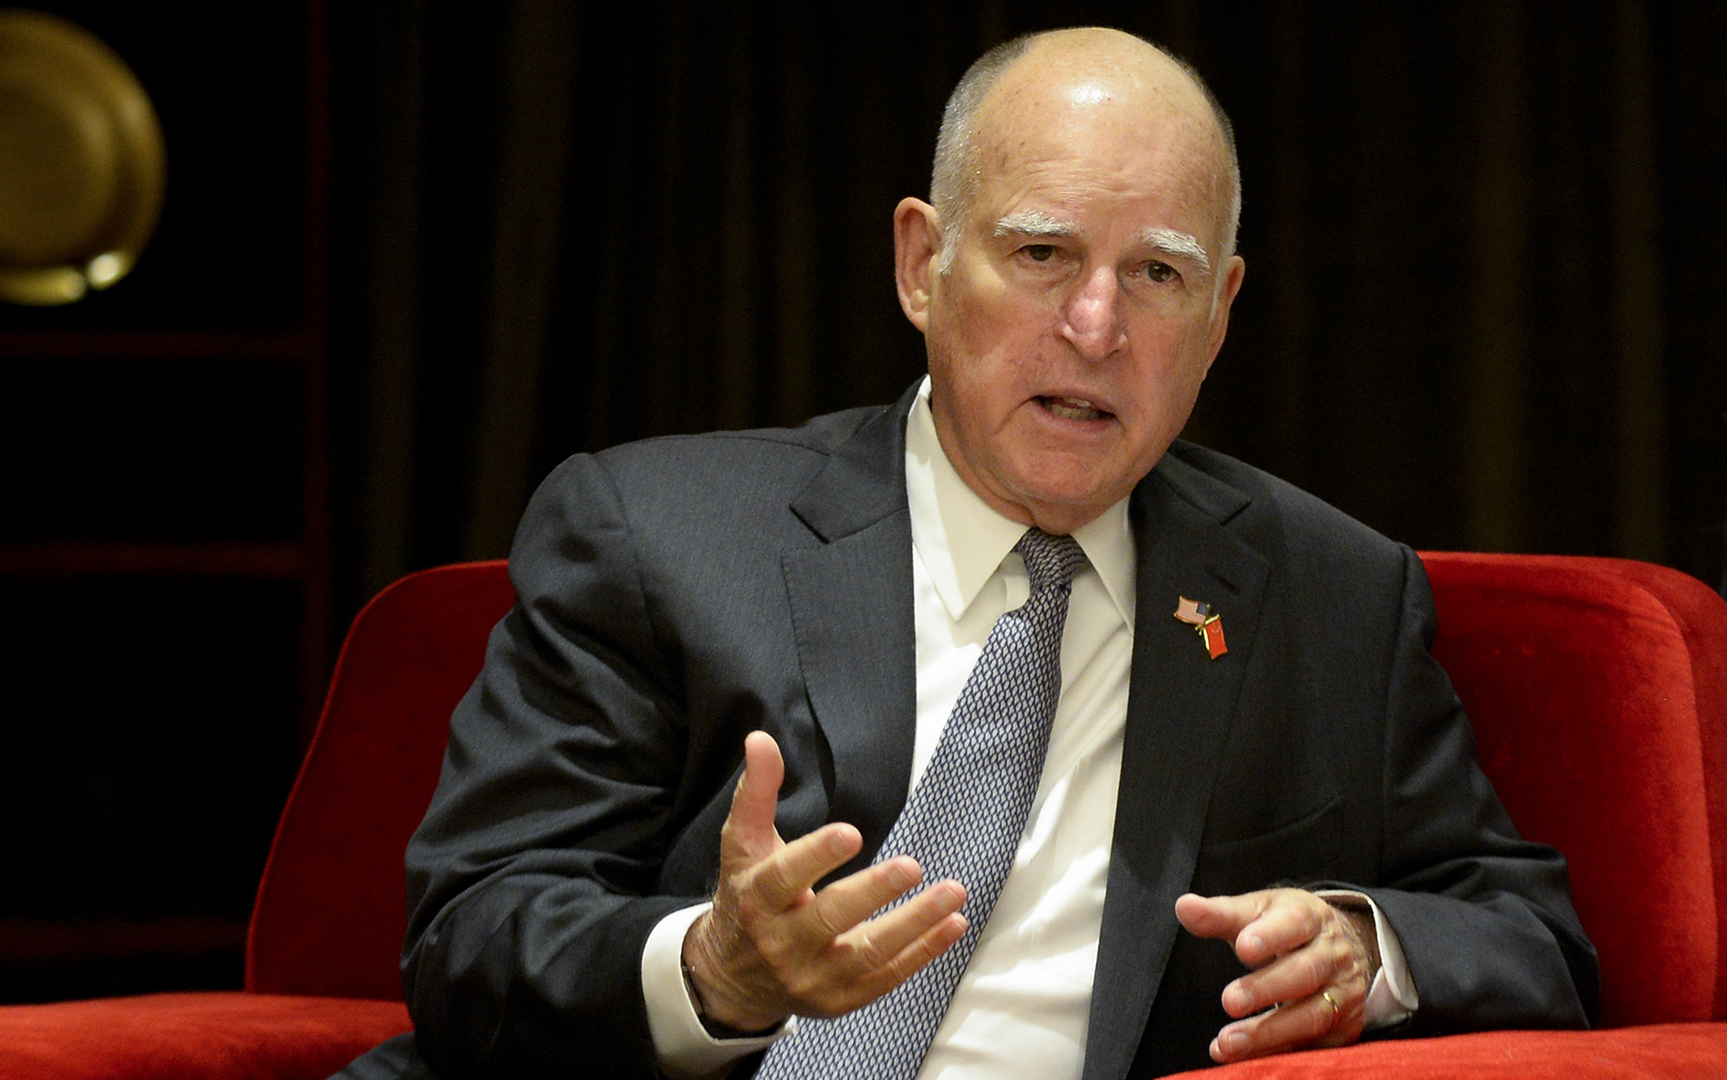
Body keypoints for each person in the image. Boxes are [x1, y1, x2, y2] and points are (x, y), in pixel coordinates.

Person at [337, 26, 1596, 1080]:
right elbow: (472, 931)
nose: (1095, 327)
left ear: (1220, 319)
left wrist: (1363, 950)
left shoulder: (1330, 594)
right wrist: (716, 972)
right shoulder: (660, 532)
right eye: (1041, 254)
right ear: (922, 265)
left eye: (1159, 274)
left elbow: (1528, 936)